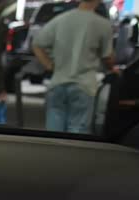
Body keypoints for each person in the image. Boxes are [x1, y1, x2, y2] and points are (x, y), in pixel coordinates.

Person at [33, 0, 116, 134]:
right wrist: (112, 68)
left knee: (53, 133)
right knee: (77, 133)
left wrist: (49, 65)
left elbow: (37, 44)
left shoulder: (60, 19)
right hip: (84, 85)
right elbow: (108, 57)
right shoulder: (103, 24)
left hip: (58, 82)